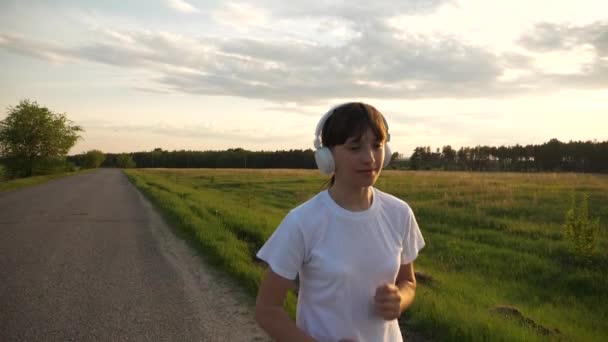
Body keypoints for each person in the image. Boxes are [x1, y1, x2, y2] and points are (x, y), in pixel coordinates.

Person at [255, 102, 425, 342]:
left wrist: (400, 298)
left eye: (377, 146)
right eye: (354, 147)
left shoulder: (400, 213)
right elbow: (267, 311)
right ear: (327, 157)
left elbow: (408, 281)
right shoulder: (302, 222)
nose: (369, 158)